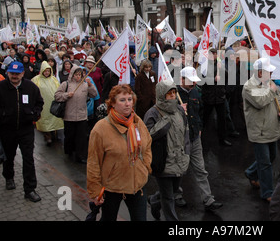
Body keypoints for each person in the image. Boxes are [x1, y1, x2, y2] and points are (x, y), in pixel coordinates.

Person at [87, 84, 152, 221]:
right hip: (112, 187)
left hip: (137, 185)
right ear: (113, 104)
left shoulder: (137, 121)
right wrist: (95, 190)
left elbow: (147, 145)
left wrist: (145, 166)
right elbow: (94, 162)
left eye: (130, 99)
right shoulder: (100, 129)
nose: (127, 104)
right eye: (122, 100)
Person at [0, 61, 44, 202]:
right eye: (12, 73)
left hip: (26, 129)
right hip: (6, 129)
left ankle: (30, 189)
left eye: (17, 73)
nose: (14, 76)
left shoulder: (31, 87)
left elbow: (39, 102)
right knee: (8, 156)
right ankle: (8, 177)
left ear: (22, 73)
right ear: (7, 73)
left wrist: (35, 113)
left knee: (28, 159)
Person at [175, 66, 223, 211]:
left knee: (200, 169)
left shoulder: (196, 92)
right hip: (179, 139)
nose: (194, 84)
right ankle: (175, 194)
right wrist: (176, 108)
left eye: (195, 81)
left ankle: (208, 199)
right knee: (179, 170)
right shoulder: (173, 94)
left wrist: (200, 127)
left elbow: (200, 111)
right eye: (190, 81)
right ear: (182, 79)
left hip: (195, 137)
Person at [144, 79, 190, 221]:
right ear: (161, 95)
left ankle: (154, 201)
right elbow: (148, 136)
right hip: (162, 162)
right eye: (169, 94)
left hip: (179, 159)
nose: (173, 97)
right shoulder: (152, 113)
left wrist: (187, 153)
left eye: (174, 93)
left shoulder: (180, 110)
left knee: (174, 190)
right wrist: (165, 120)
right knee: (169, 197)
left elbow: (185, 133)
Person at [243, 57, 280, 201]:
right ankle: (267, 192)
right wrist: (271, 90)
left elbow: (279, 99)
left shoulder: (270, 83)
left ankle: (251, 172)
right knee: (265, 162)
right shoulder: (249, 86)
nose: (271, 75)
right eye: (269, 72)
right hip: (259, 130)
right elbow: (260, 102)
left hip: (272, 128)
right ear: (260, 73)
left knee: (271, 157)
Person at [54, 65, 98, 163]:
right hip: (69, 116)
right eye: (76, 75)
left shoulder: (85, 84)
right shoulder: (66, 84)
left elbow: (94, 94)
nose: (78, 77)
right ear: (72, 75)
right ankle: (69, 151)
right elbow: (57, 96)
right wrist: (66, 95)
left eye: (80, 75)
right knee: (70, 135)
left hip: (82, 116)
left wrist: (91, 85)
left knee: (81, 137)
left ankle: (81, 155)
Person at [201, 48, 231, 146]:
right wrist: (213, 79)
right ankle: (199, 138)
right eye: (211, 54)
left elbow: (227, 76)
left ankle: (222, 139)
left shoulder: (219, 65)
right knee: (204, 119)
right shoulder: (204, 67)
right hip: (208, 97)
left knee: (222, 120)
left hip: (219, 97)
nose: (213, 56)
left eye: (215, 54)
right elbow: (201, 81)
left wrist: (221, 68)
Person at [31, 61, 64, 146]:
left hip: (53, 103)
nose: (46, 73)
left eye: (48, 71)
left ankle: (54, 134)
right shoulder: (36, 79)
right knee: (45, 120)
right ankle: (47, 136)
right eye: (45, 71)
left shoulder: (53, 79)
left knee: (54, 119)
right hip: (43, 104)